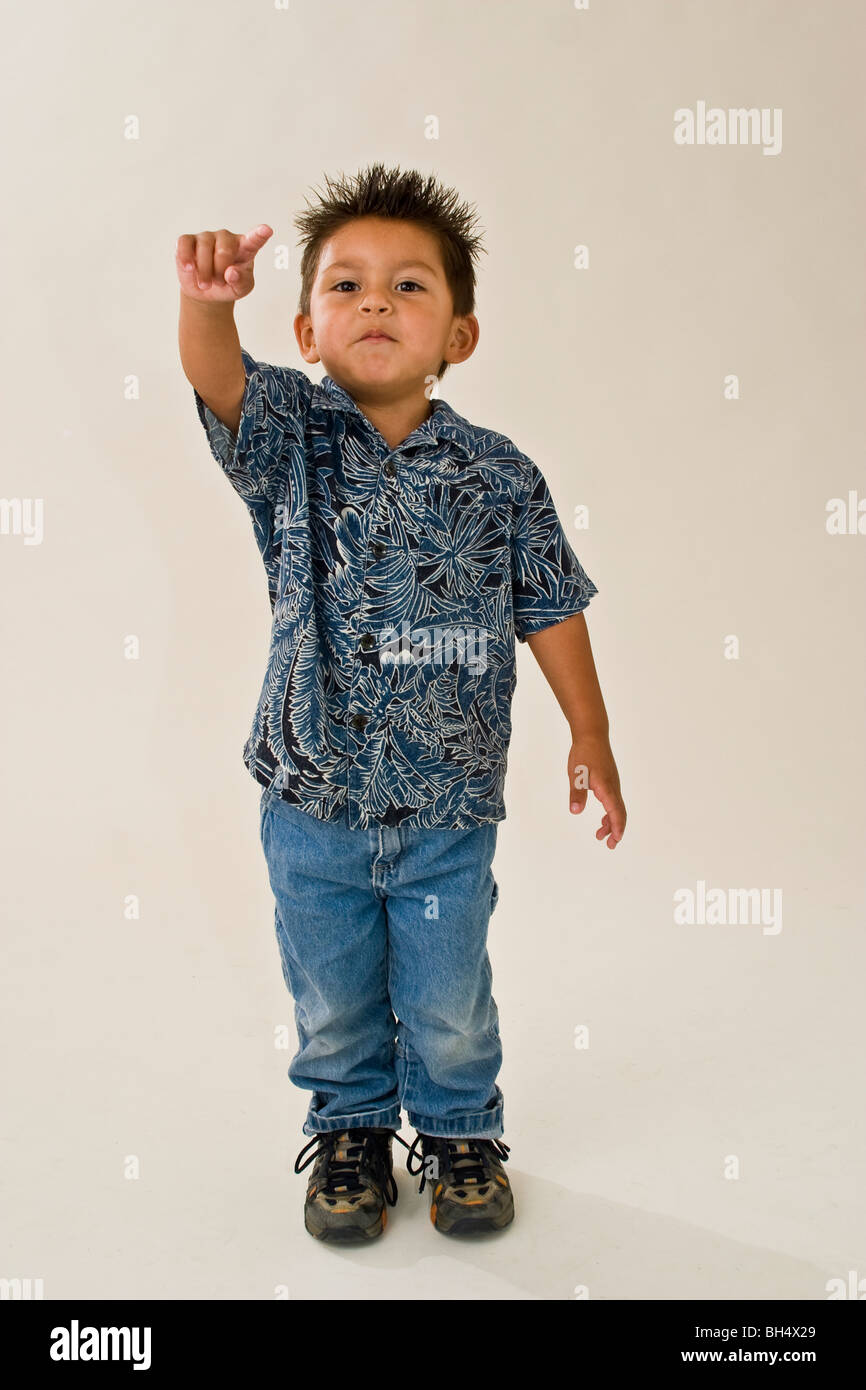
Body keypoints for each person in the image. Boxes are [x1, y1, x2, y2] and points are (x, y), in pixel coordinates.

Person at [177, 162, 627, 1244]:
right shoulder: (289, 439)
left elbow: (549, 605)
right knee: (330, 986)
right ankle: (349, 1130)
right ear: (305, 327)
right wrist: (205, 306)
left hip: (447, 798)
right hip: (310, 790)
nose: (375, 302)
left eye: (409, 287)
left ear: (458, 337)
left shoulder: (499, 474)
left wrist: (591, 731)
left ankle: (461, 1128)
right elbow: (216, 377)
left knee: (445, 985)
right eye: (347, 286)